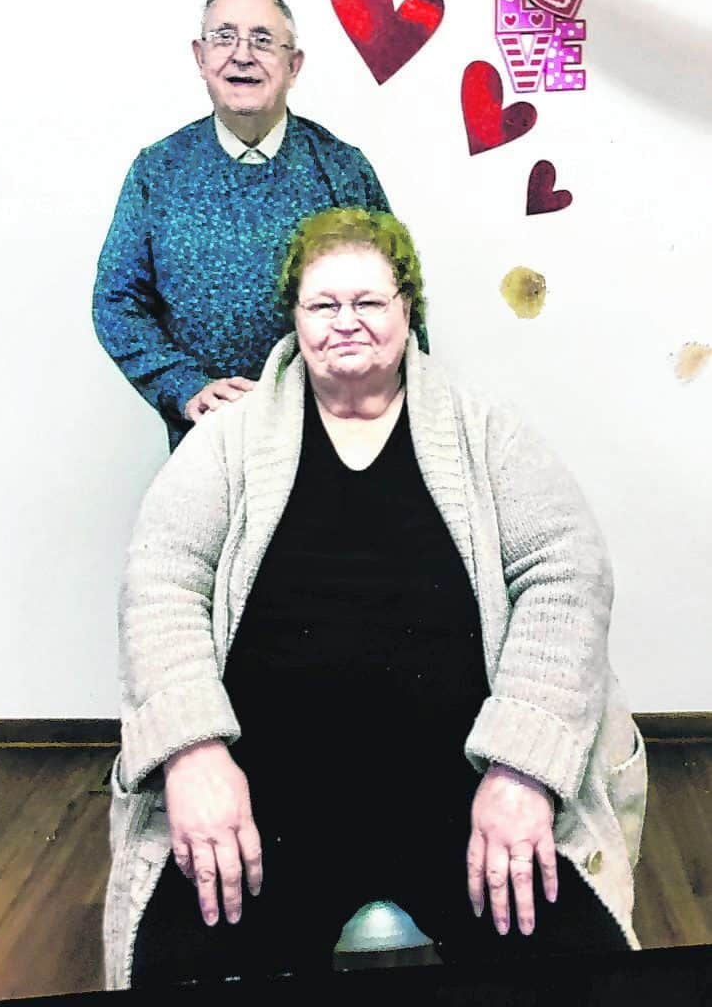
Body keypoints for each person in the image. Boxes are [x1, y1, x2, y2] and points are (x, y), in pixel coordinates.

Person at [103, 209, 648, 990]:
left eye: (368, 301)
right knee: (181, 968)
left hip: (466, 789)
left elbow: (567, 574)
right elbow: (160, 581)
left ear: (406, 308)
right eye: (323, 304)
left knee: (580, 973)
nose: (346, 322)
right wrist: (193, 755)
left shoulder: (485, 432)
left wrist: (522, 770)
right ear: (295, 318)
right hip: (262, 797)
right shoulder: (227, 440)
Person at [92, 0, 392, 450]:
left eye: (263, 40)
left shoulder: (342, 170)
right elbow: (116, 302)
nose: (242, 55)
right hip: (206, 445)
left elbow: (398, 304)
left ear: (294, 65)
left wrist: (387, 426)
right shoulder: (158, 172)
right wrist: (184, 386)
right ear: (200, 57)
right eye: (224, 37)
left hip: (332, 444)